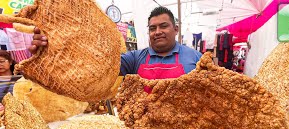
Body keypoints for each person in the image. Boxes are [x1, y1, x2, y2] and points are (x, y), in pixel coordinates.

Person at [29, 6, 202, 80]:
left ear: (176, 29)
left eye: (163, 26)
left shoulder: (197, 58)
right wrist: (53, 47)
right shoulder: (135, 58)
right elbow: (96, 64)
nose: (157, 32)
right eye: (152, 28)